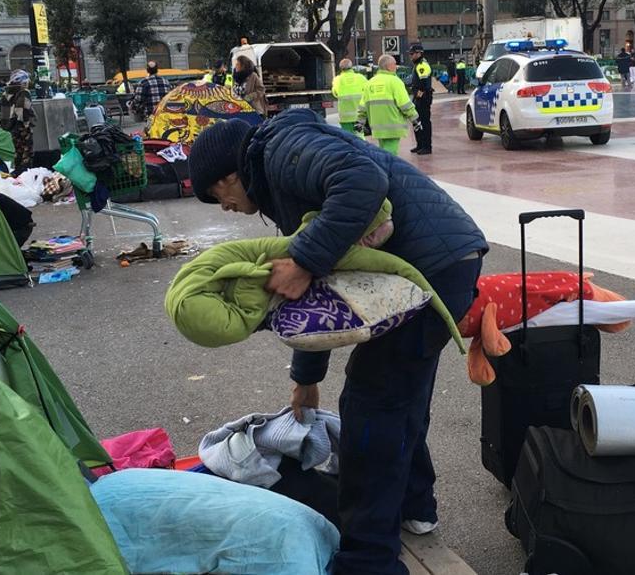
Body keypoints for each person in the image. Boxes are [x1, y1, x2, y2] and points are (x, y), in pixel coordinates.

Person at [186, 112, 487, 575]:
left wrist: (303, 258)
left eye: (217, 194)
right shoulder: (280, 171)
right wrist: (306, 379)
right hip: (443, 262)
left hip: (431, 263)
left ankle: (368, 559)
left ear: (230, 174)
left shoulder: (281, 149)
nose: (222, 206)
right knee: (400, 397)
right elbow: (325, 298)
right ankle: (415, 508)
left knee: (371, 405)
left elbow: (362, 179)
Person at [357, 54, 417, 155]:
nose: (396, 66)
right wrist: (415, 119)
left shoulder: (370, 83)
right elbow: (405, 104)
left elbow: (363, 106)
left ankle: (383, 168)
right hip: (393, 125)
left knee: (384, 150)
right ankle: (388, 170)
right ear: (389, 66)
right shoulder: (395, 81)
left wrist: (360, 121)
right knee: (391, 154)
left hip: (377, 126)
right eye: (394, 64)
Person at [0, 69, 36, 175]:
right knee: (26, 152)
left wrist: (3, 124)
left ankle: (17, 174)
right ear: (23, 81)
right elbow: (22, 110)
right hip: (22, 127)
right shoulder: (23, 92)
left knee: (17, 152)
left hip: (10, 128)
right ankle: (26, 175)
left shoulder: (7, 93)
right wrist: (26, 124)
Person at [407, 43, 433, 155]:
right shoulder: (417, 65)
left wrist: (419, 96)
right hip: (418, 97)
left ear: (419, 53)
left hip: (422, 98)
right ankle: (420, 144)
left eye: (412, 54)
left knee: (424, 122)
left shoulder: (422, 65)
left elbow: (424, 84)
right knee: (417, 122)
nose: (411, 56)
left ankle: (426, 146)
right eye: (410, 54)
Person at [332, 58, 368, 135]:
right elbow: (367, 93)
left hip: (345, 117)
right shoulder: (361, 78)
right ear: (352, 67)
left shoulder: (337, 79)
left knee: (348, 137)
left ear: (341, 69)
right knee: (359, 135)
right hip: (359, 115)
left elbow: (335, 93)